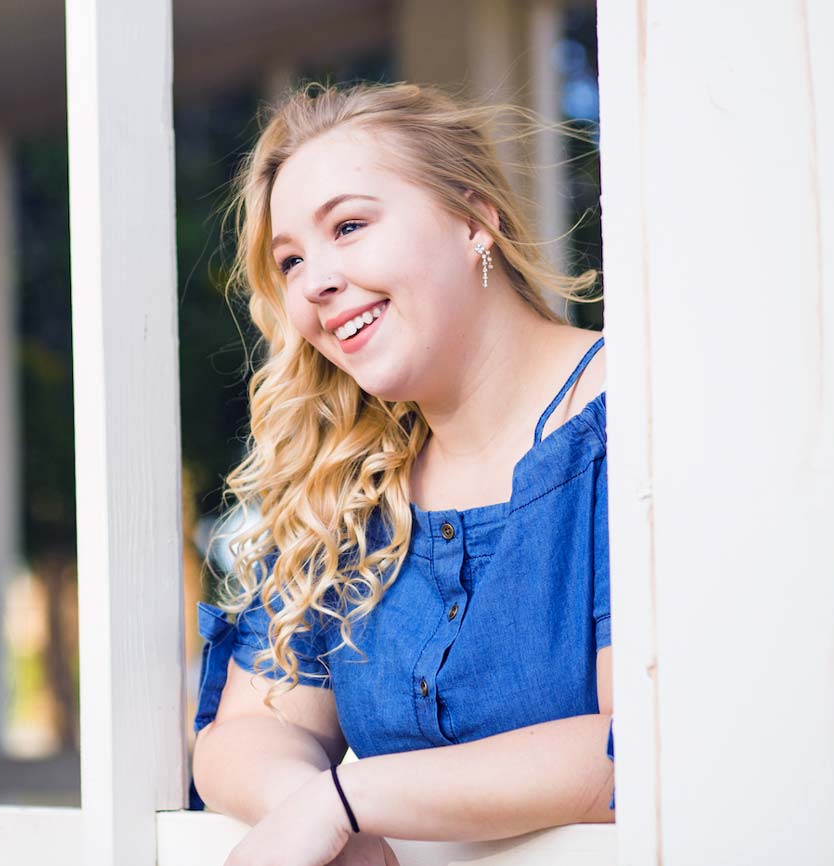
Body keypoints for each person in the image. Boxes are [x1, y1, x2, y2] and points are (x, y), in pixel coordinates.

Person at [190, 81, 615, 866]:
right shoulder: (351, 486)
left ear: (474, 220)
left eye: (348, 226)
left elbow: (643, 743)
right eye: (290, 261)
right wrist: (305, 811)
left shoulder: (640, 423)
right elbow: (244, 731)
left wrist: (348, 800)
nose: (313, 283)